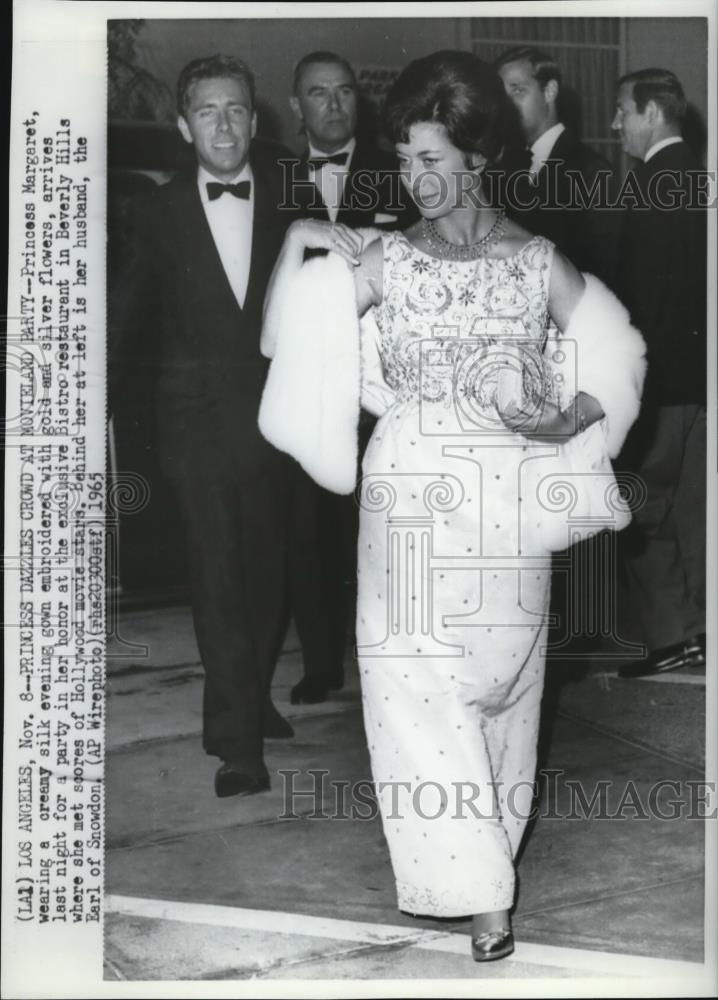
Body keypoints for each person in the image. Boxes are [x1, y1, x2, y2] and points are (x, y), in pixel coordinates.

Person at [261, 51, 645, 961]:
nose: (416, 178)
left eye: (433, 159)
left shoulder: (535, 260)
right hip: (403, 505)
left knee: (504, 695)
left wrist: (561, 417)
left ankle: (485, 862)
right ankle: (483, 897)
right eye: (405, 160)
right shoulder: (386, 259)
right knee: (411, 693)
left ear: (477, 157)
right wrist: (302, 247)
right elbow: (288, 343)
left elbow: (619, 353)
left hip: (507, 507)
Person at [113, 55, 295, 799]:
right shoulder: (154, 214)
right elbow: (125, 322)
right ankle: (236, 741)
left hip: (279, 421)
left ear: (255, 120)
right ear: (185, 126)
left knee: (269, 573)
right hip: (192, 426)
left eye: (237, 110)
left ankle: (249, 694)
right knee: (219, 578)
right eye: (209, 112)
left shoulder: (290, 199)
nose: (225, 124)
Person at [282, 51, 416, 706]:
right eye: (318, 94)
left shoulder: (401, 173)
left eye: (343, 92)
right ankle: (320, 664)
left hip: (381, 388)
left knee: (386, 526)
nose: (333, 105)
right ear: (295, 106)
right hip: (308, 387)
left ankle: (387, 658)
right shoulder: (271, 177)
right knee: (307, 532)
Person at [610, 69, 707, 679]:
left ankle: (670, 637)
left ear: (650, 112)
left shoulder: (648, 186)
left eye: (623, 110)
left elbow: (641, 300)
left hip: (664, 383)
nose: (616, 123)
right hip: (703, 382)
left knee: (642, 506)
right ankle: (699, 631)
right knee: (698, 511)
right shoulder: (699, 177)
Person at [496, 46, 618, 288]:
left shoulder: (591, 169)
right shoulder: (509, 166)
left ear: (549, 91)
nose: (505, 106)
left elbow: (606, 271)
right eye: (502, 96)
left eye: (518, 90)